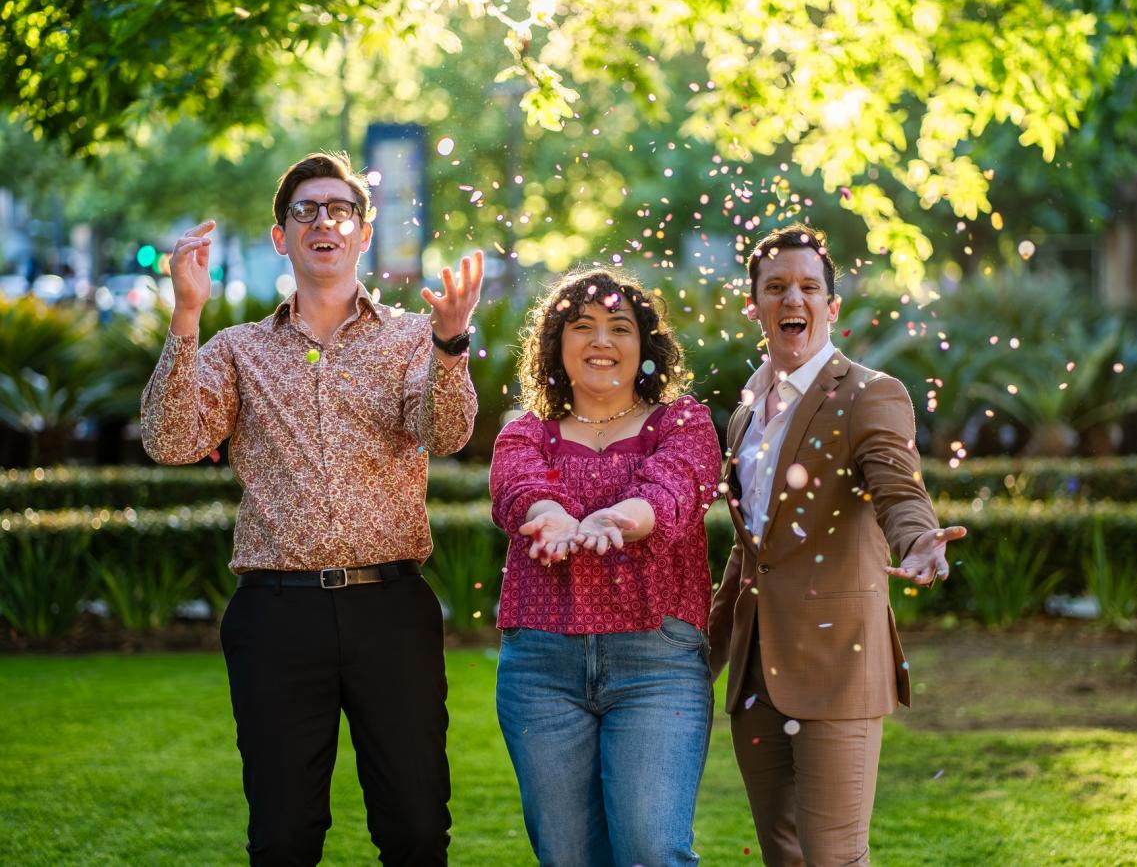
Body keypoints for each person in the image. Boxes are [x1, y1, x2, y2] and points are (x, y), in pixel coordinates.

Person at [141, 151, 482, 866]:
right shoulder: (238, 350)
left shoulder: (412, 338)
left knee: (417, 830)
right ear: (281, 237)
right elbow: (171, 440)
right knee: (284, 837)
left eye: (340, 210)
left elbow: (444, 434)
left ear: (363, 232)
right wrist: (187, 313)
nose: (323, 221)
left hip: (390, 609)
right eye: (305, 211)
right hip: (276, 616)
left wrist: (450, 346)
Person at [708, 223, 967, 866]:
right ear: (756, 305)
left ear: (831, 305)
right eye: (776, 287)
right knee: (783, 855)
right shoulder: (745, 410)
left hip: (837, 661)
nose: (792, 300)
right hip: (754, 673)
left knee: (835, 857)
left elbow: (897, 488)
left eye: (807, 287)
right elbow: (752, 549)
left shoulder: (869, 395)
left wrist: (917, 540)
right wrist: (705, 650)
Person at [489, 268, 722, 866]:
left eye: (619, 328)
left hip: (658, 661)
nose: (601, 341)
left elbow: (674, 487)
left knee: (651, 849)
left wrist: (616, 520)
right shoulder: (525, 431)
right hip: (541, 666)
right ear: (556, 344)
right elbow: (519, 488)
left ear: (645, 348)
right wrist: (551, 516)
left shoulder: (683, 423)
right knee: (567, 857)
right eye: (582, 326)